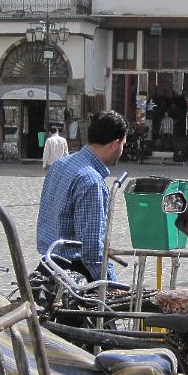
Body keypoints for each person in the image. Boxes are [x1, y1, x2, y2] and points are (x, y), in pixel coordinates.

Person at [36, 111, 128, 280]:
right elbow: (92, 250)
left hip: (47, 267)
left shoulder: (59, 164)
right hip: (74, 276)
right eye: (123, 144)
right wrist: (112, 285)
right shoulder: (91, 181)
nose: (122, 150)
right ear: (115, 144)